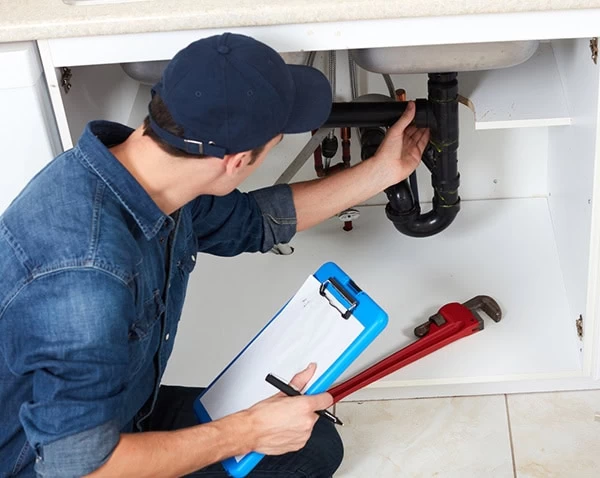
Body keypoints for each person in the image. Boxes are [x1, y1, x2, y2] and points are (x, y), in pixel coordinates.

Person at [0, 33, 429, 477]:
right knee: (275, 444)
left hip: (120, 419)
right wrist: (248, 431)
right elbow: (80, 468)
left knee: (311, 446)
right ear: (237, 161)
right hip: (44, 465)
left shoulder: (143, 172)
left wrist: (381, 172)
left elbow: (252, 220)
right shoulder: (85, 276)